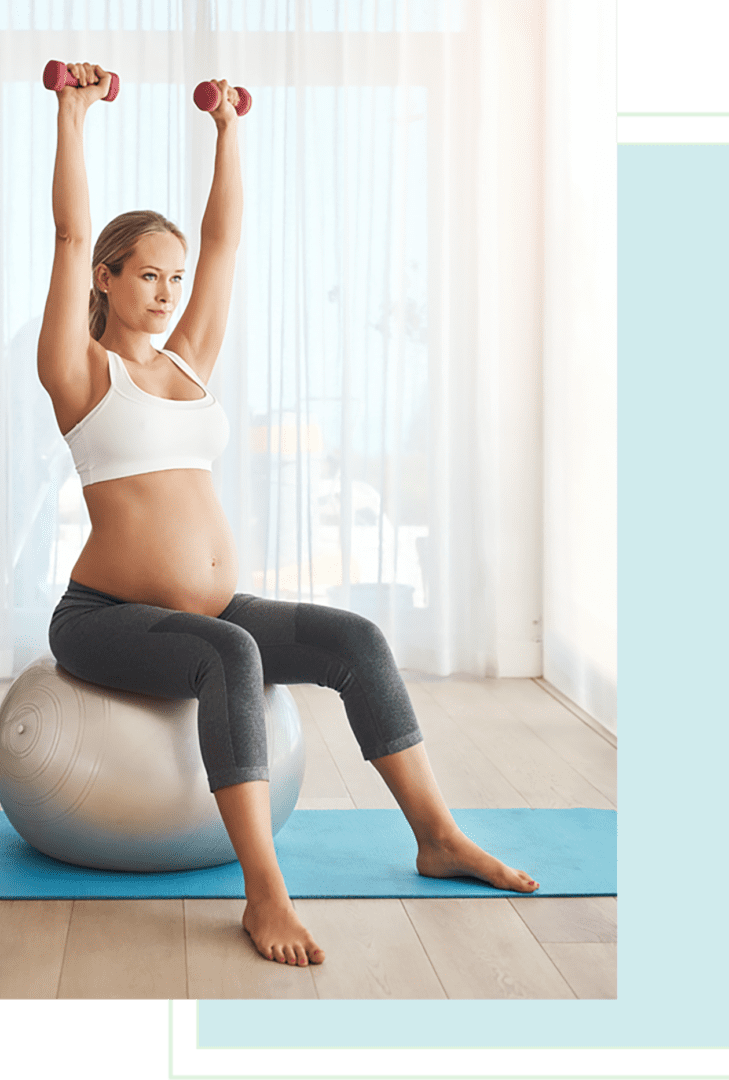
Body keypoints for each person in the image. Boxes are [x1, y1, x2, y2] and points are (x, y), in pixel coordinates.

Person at [38, 63, 538, 968]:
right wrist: (72, 115)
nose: (166, 292)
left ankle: (437, 836)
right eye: (147, 275)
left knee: (358, 639)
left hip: (212, 606)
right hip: (104, 620)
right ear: (106, 280)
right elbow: (71, 231)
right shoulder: (79, 372)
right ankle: (263, 892)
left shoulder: (188, 363)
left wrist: (230, 131)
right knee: (232, 654)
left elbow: (226, 247)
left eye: (173, 277)